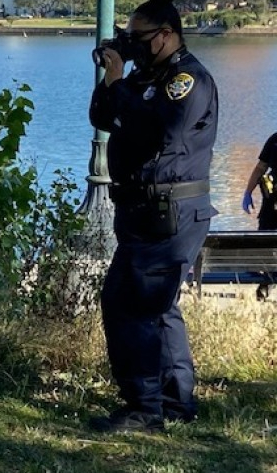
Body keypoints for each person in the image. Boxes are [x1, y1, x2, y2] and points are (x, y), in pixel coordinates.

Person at [88, 0, 219, 433]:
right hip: (144, 211)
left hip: (170, 212)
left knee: (132, 306)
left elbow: (159, 130)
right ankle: (175, 401)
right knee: (158, 308)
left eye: (140, 39)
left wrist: (122, 86)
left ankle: (145, 408)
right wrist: (113, 79)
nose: (135, 47)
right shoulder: (147, 77)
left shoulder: (188, 80)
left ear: (165, 34)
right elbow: (103, 116)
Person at [241, 133, 277, 300]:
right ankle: (266, 283)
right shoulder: (274, 140)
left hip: (271, 206)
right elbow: (261, 167)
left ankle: (266, 283)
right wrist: (248, 192)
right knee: (266, 243)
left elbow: (260, 167)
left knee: (265, 243)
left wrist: (248, 192)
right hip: (271, 207)